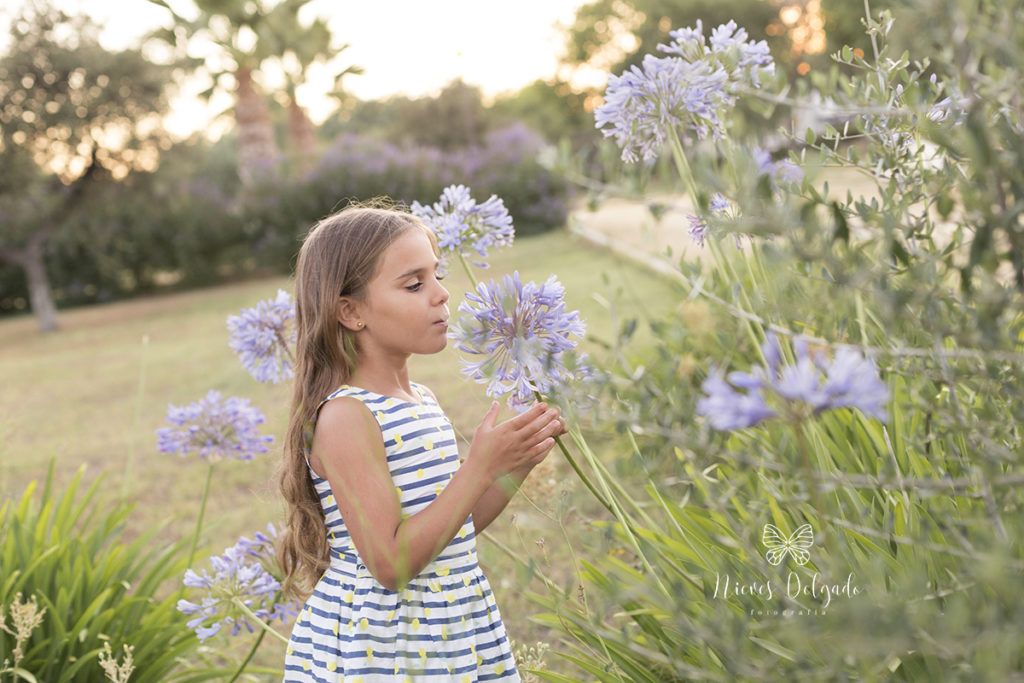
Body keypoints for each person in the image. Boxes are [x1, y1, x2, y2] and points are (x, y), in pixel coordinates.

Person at [277, 202, 566, 681]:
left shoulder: (420, 399)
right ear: (350, 311)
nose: (442, 294)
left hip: (447, 625)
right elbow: (391, 564)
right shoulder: (347, 416)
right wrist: (478, 468)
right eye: (415, 284)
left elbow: (452, 526)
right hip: (387, 647)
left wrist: (516, 462)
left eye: (437, 276)